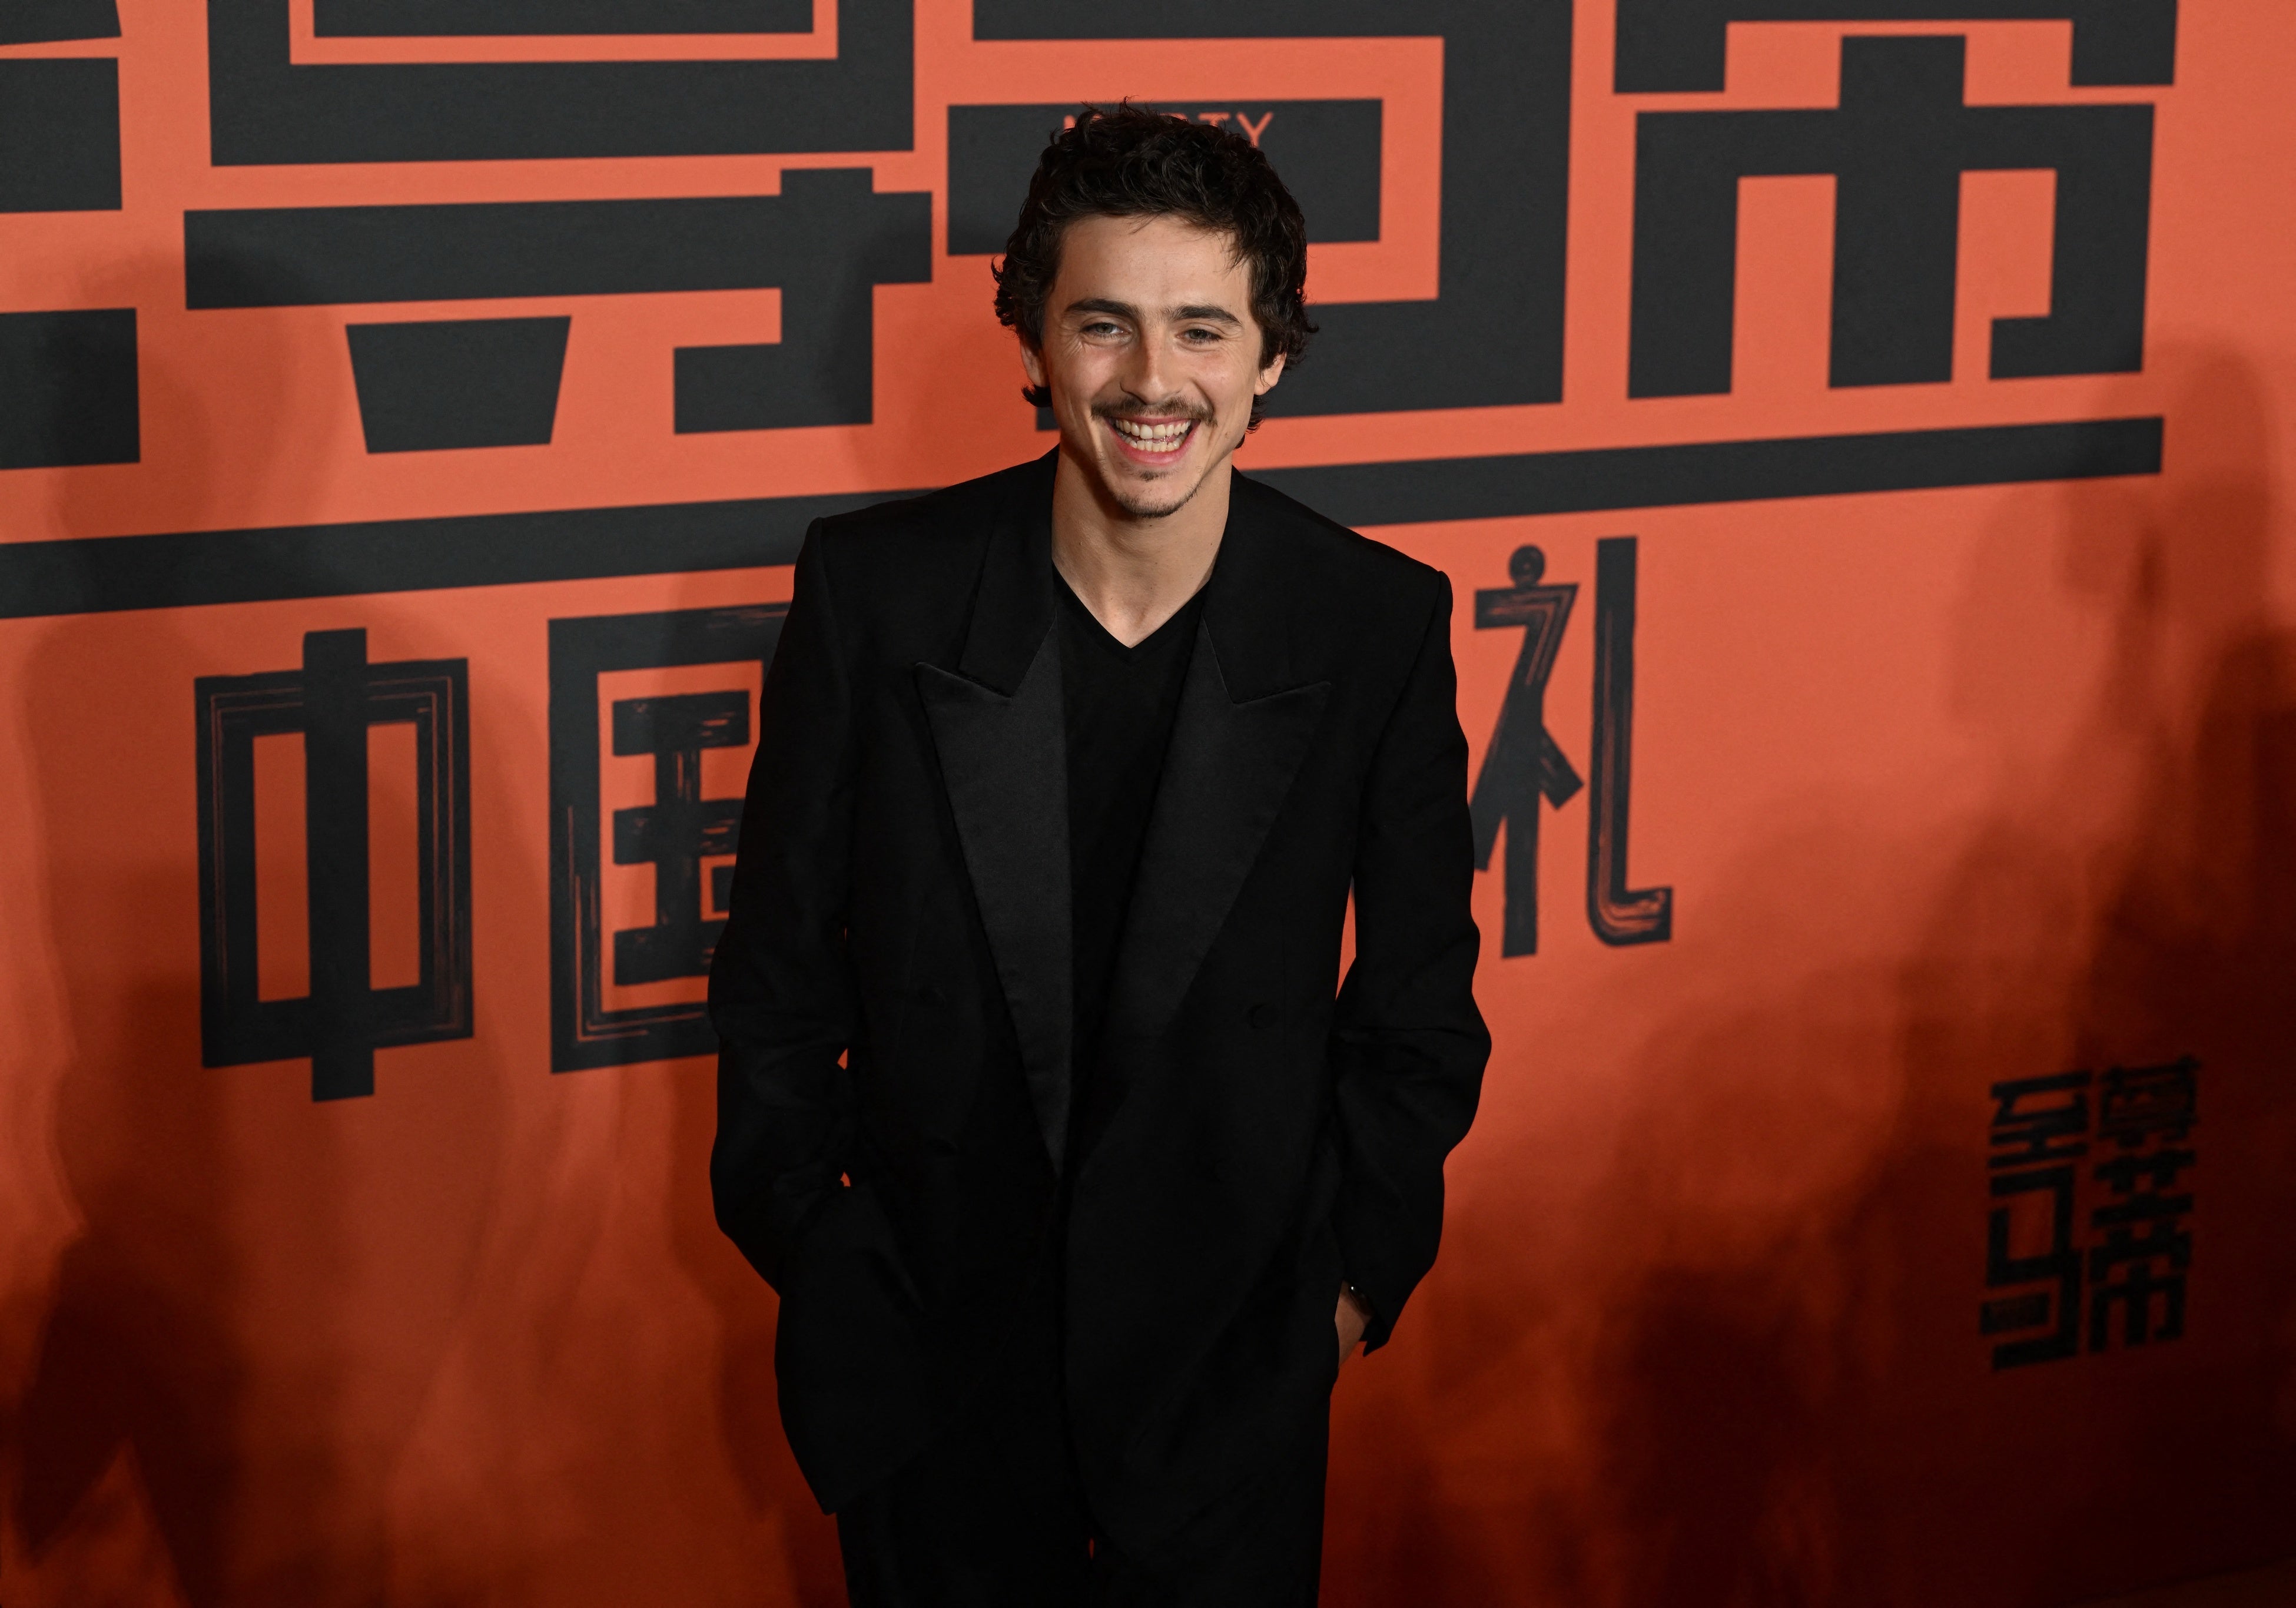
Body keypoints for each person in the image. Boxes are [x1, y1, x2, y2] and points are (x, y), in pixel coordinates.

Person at [708, 104, 1489, 1607]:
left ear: (1270, 357)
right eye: (1104, 323)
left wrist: (1336, 1303)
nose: (1152, 381)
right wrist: (825, 1252)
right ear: (1037, 340)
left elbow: (1418, 1015)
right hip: (931, 1374)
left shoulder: (1370, 625)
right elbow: (777, 980)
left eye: (1203, 328)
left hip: (1226, 1392)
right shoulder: (879, 596)